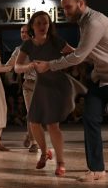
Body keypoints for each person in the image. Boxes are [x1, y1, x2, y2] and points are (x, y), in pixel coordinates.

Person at [34, 0, 108, 182]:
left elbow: (79, 57)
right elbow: (88, 54)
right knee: (90, 118)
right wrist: (71, 52)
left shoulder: (94, 22)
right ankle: (97, 169)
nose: (65, 12)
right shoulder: (83, 22)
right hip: (101, 78)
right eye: (63, 8)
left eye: (68, 7)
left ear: (81, 4)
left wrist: (50, 65)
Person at [15, 11, 84, 176]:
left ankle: (61, 162)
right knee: (33, 122)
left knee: (53, 124)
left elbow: (76, 54)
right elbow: (17, 67)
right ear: (32, 26)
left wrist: (59, 63)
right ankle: (45, 153)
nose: (42, 26)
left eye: (45, 23)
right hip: (41, 85)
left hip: (58, 85)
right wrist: (29, 66)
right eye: (38, 23)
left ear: (49, 25)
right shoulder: (28, 45)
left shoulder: (56, 41)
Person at [5, 25, 38, 152]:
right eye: (21, 32)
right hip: (29, 84)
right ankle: (34, 143)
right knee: (32, 113)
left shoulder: (40, 47)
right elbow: (9, 65)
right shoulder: (18, 50)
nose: (23, 34)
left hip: (43, 85)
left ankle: (29, 134)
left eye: (25, 32)